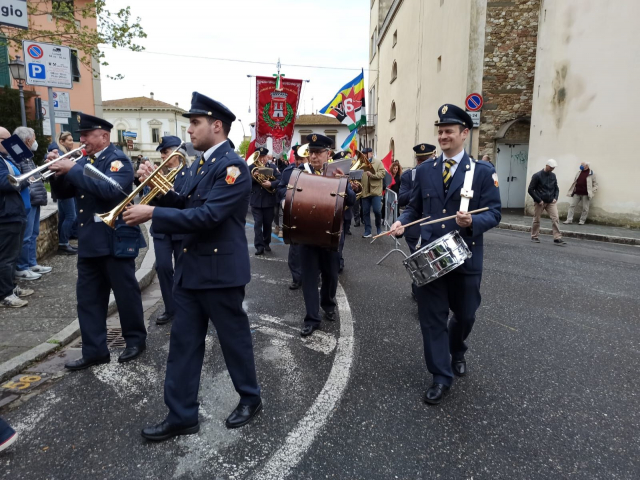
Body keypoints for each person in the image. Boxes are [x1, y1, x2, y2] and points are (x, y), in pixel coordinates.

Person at [123, 92, 262, 440]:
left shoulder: (233, 167)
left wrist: (153, 212)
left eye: (195, 123)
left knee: (234, 342)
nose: (189, 131)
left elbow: (208, 215)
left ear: (217, 126)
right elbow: (184, 202)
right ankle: (181, 414)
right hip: (190, 271)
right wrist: (157, 185)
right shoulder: (200, 163)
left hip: (220, 273)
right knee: (183, 346)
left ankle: (250, 397)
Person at [389, 104, 501, 405]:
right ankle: (440, 376)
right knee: (432, 318)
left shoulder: (482, 172)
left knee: (464, 315)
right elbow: (415, 207)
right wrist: (402, 220)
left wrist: (473, 222)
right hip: (430, 256)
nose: (443, 135)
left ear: (464, 133)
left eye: (449, 131)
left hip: (465, 256)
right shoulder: (424, 171)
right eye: (440, 131)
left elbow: (494, 213)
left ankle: (458, 348)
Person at [47, 113, 147, 370]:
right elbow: (63, 194)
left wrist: (74, 169)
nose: (81, 140)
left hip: (115, 239)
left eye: (86, 135)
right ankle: (94, 350)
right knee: (88, 299)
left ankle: (135, 340)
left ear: (103, 136)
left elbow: (111, 191)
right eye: (81, 136)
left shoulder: (118, 161)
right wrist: (57, 173)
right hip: (90, 241)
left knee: (125, 294)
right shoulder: (84, 161)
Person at [299, 134, 357, 337]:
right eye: (311, 152)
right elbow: (284, 192)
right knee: (308, 277)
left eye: (318, 152)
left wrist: (343, 183)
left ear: (327, 154)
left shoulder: (337, 173)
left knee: (331, 274)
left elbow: (351, 201)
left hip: (331, 232)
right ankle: (312, 318)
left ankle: (328, 304)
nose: (314, 157)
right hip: (307, 232)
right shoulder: (300, 172)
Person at [149, 136, 189, 325]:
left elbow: (184, 202)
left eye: (165, 152)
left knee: (183, 269)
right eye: (162, 153)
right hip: (161, 228)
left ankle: (185, 305)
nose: (163, 156)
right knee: (163, 267)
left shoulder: (188, 173)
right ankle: (170, 308)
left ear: (177, 152)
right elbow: (148, 202)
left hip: (180, 227)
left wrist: (168, 192)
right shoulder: (160, 174)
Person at [398, 143, 437, 298]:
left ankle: (426, 293)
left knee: (434, 263)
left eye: (426, 159)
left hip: (434, 226)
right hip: (415, 227)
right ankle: (418, 291)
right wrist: (418, 188)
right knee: (421, 262)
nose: (422, 163)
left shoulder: (439, 174)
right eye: (420, 160)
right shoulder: (408, 176)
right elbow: (401, 199)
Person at [14, 127, 52, 281]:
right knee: (26, 235)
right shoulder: (18, 154)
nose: (35, 141)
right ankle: (23, 268)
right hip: (28, 199)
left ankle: (31, 263)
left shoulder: (27, 155)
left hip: (34, 198)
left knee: (34, 233)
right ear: (28, 140)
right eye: (34, 137)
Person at [0, 126, 32, 308]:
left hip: (13, 213)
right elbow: (6, 183)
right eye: (5, 140)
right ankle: (5, 294)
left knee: (12, 256)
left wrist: (27, 177)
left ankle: (10, 287)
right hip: (6, 215)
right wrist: (23, 179)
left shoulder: (4, 159)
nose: (10, 144)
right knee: (6, 257)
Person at [277, 145, 305, 290]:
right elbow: (281, 187)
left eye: (302, 159)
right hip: (294, 211)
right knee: (295, 248)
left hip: (312, 212)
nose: (300, 162)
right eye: (298, 159)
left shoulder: (314, 171)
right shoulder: (288, 171)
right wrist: (283, 199)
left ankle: (314, 275)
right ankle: (296, 277)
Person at [250, 147, 281, 255]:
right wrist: (254, 177)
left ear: (267, 157)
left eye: (264, 156)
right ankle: (259, 246)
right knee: (258, 223)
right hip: (256, 200)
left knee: (267, 224)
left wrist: (271, 184)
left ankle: (266, 242)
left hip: (269, 200)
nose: (262, 159)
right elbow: (245, 182)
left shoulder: (272, 167)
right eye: (260, 156)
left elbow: (280, 180)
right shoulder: (251, 167)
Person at [528, 159, 566, 245]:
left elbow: (556, 188)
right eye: (551, 167)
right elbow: (530, 189)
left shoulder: (553, 176)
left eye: (553, 168)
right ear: (547, 165)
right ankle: (534, 236)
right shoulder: (537, 176)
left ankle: (557, 237)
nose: (552, 169)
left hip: (550, 201)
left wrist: (555, 197)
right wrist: (538, 200)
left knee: (555, 218)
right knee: (537, 219)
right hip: (540, 201)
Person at [53, 131, 79, 255]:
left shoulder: (66, 153)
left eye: (72, 139)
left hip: (65, 190)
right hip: (64, 190)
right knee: (71, 216)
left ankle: (64, 242)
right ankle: (63, 243)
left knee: (64, 217)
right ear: (61, 141)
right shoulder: (58, 152)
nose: (72, 142)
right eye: (69, 140)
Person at [359, 147, 386, 238]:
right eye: (363, 154)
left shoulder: (378, 163)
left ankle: (378, 228)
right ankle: (368, 230)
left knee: (377, 211)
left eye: (366, 154)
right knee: (365, 212)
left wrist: (373, 175)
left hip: (375, 191)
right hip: (365, 191)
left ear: (371, 153)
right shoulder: (360, 163)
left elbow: (382, 173)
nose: (365, 156)